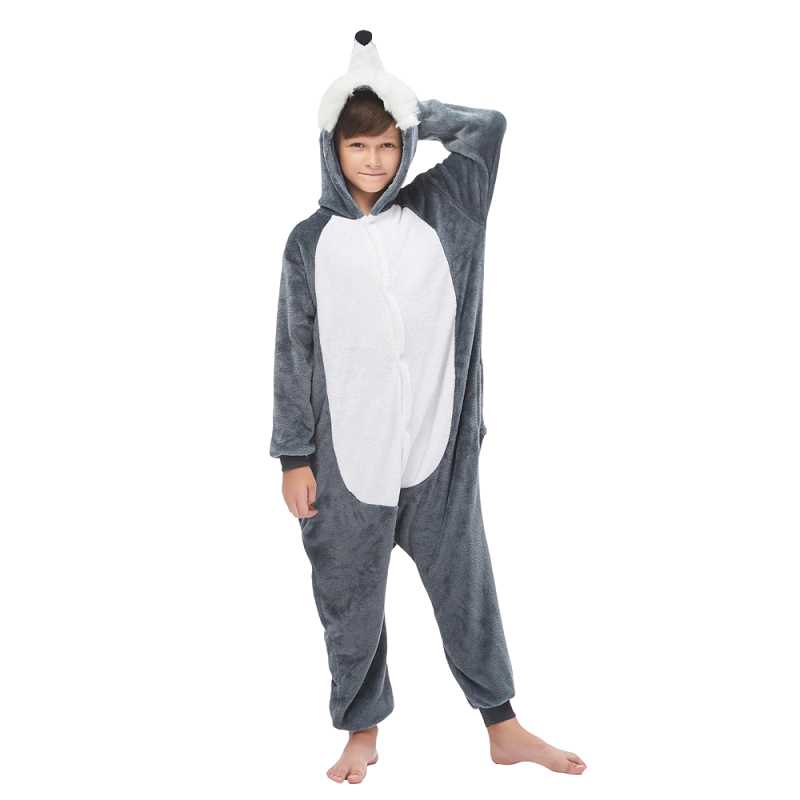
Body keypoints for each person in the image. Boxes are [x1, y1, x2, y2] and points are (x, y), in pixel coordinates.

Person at [270, 30, 587, 783]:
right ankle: (362, 730)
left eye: (388, 143)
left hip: (438, 455)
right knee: (348, 603)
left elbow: (489, 130)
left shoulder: (447, 210)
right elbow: (292, 351)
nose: (374, 160)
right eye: (358, 145)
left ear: (406, 142)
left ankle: (503, 725)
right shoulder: (309, 242)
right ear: (331, 149)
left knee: (467, 588)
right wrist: (293, 456)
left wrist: (417, 110)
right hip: (346, 461)